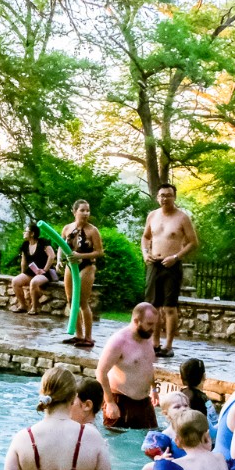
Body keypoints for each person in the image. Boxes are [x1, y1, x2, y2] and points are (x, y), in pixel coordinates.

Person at [140, 183, 199, 357]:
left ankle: (168, 345)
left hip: (172, 265)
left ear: (174, 197)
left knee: (170, 308)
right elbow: (145, 237)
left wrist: (176, 257)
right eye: (162, 195)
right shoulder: (152, 216)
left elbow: (193, 242)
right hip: (154, 263)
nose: (165, 198)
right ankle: (155, 342)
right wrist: (145, 253)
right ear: (157, 198)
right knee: (153, 307)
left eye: (168, 195)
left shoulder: (182, 218)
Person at [94, 303, 159, 430]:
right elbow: (100, 372)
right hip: (121, 401)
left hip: (144, 402)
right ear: (136, 321)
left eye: (155, 324)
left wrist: (154, 389)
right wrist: (110, 403)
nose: (153, 329)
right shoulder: (118, 341)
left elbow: (148, 366)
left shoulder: (146, 337)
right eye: (150, 324)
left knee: (152, 444)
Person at [59, 199, 103, 349]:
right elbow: (61, 245)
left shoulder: (92, 230)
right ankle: (78, 334)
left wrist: (80, 256)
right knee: (71, 301)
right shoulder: (67, 228)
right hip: (70, 266)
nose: (85, 213)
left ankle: (88, 337)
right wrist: (59, 260)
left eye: (87, 210)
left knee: (83, 301)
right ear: (74, 211)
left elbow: (99, 252)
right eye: (82, 210)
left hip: (87, 266)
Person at [12, 222, 58, 315]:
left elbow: (52, 256)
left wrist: (44, 269)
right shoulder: (25, 245)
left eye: (26, 231)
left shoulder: (43, 242)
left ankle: (34, 307)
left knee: (34, 282)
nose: (23, 233)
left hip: (44, 272)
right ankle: (23, 306)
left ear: (32, 233)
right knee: (15, 281)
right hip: (30, 272)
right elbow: (23, 261)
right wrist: (22, 273)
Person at [178, 357, 219, 434]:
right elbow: (209, 426)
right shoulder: (203, 399)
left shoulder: (179, 395)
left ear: (181, 377)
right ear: (204, 376)